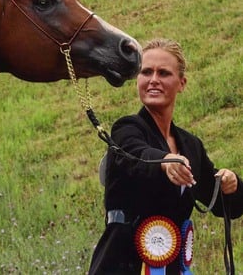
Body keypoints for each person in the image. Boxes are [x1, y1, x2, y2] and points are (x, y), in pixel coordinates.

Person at [89, 38, 243, 274]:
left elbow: (225, 207)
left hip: (173, 266)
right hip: (121, 263)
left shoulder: (191, 145)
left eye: (164, 73)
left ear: (181, 83)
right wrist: (165, 162)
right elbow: (135, 154)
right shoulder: (126, 128)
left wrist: (230, 185)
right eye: (146, 72)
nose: (153, 80)